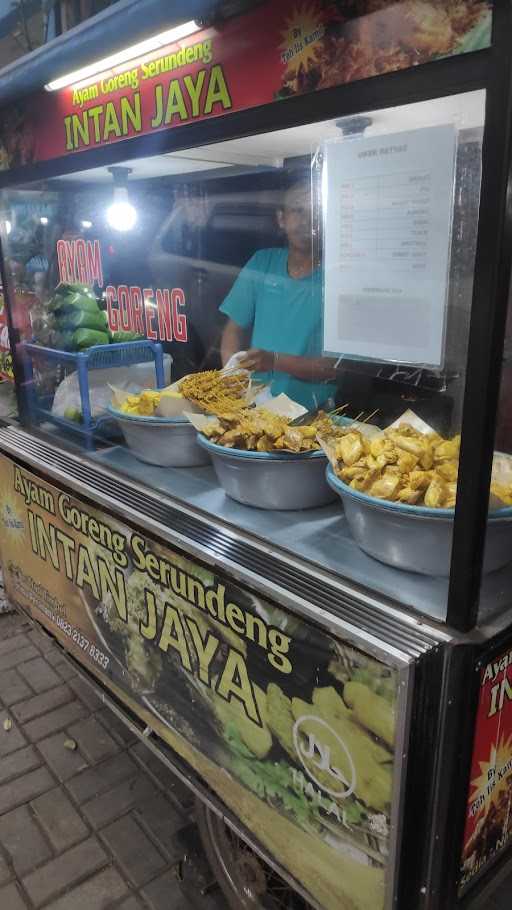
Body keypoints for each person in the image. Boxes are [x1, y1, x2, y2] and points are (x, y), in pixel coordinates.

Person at [219, 181, 337, 409]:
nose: (306, 220)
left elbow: (333, 368)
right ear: (281, 219)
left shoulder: (337, 277)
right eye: (298, 210)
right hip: (255, 406)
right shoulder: (263, 262)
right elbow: (233, 329)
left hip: (312, 413)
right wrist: (232, 378)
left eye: (315, 212)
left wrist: (274, 361)